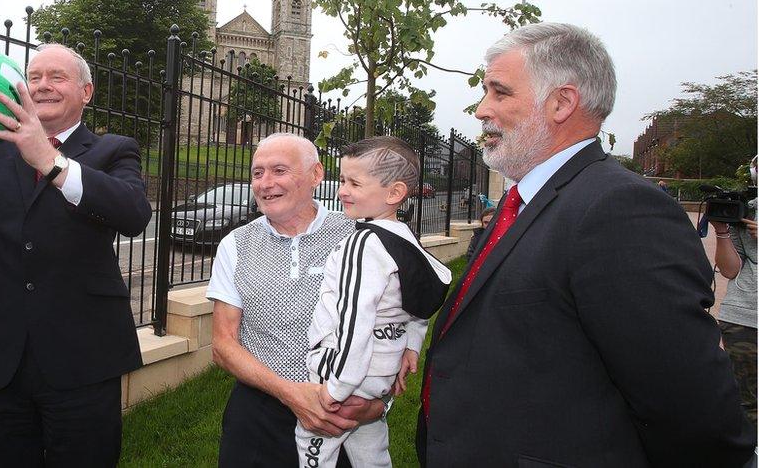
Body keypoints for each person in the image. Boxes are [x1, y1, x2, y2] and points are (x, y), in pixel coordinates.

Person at [416, 23, 756, 467]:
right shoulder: (521, 200)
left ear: (561, 102)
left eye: (499, 93)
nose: (481, 110)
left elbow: (688, 406)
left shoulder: (620, 210)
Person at [0, 44, 152, 466]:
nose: (41, 86)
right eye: (33, 77)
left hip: (84, 360)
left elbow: (133, 213)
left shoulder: (114, 150)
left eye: (56, 77)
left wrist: (50, 160)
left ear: (86, 91)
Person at [207, 132, 386, 467]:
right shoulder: (235, 244)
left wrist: (377, 403)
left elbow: (390, 327)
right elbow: (223, 344)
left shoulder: (358, 237)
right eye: (257, 173)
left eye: (279, 170)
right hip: (258, 412)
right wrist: (292, 394)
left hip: (343, 414)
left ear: (316, 175)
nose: (265, 183)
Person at [295, 136, 452, 468]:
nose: (342, 191)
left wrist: (336, 389)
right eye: (342, 180)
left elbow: (354, 319)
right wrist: (411, 345)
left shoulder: (363, 244)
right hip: (380, 372)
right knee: (372, 450)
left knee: (313, 442)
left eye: (354, 182)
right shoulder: (404, 237)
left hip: (344, 373)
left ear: (394, 193)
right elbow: (421, 295)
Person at [710, 154, 758, 425]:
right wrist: (722, 232)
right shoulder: (745, 210)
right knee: (745, 402)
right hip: (743, 320)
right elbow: (730, 270)